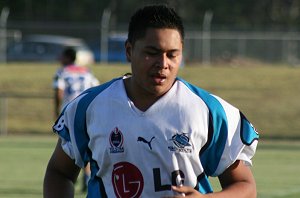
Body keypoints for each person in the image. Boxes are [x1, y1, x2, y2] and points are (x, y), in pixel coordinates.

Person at [44, 4, 259, 198]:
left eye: (172, 55)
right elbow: (59, 172)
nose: (163, 63)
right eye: (152, 53)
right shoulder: (89, 107)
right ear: (129, 51)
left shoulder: (209, 111)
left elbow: (245, 185)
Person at [52, 47, 100, 192]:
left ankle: (78, 176)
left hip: (70, 113)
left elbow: (59, 92)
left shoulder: (61, 72)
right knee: (86, 145)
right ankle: (87, 176)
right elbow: (96, 89)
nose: (59, 58)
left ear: (67, 58)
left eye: (62, 56)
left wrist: (56, 111)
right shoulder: (87, 72)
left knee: (67, 149)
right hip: (87, 111)